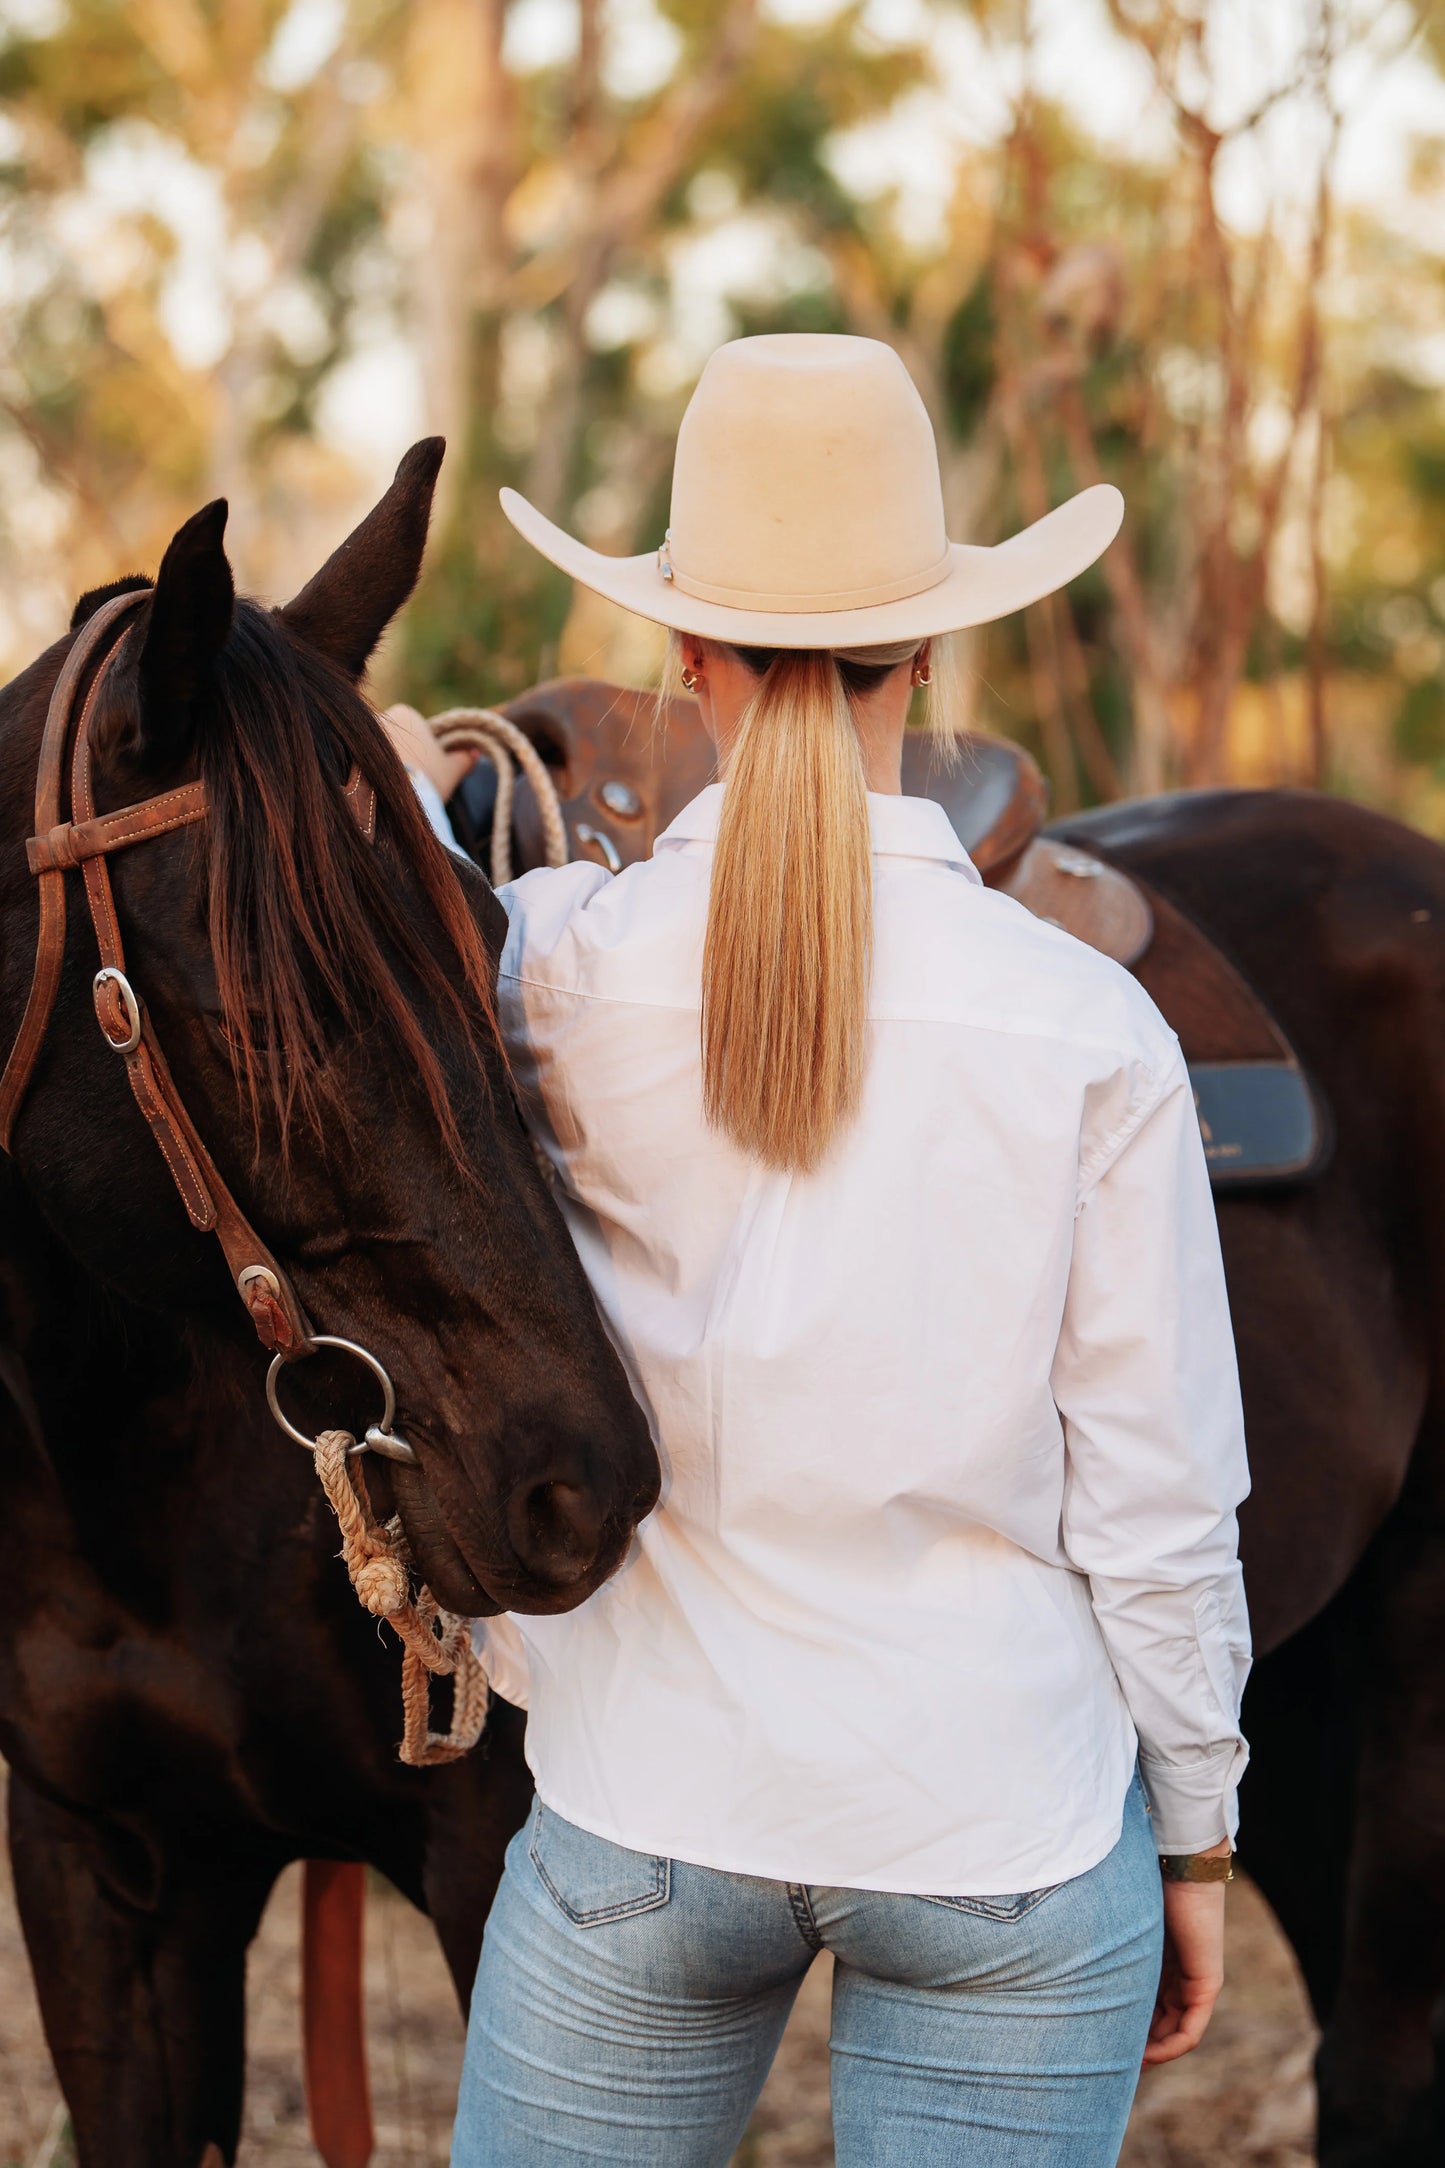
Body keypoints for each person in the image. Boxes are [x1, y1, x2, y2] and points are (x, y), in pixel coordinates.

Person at [386, 333, 1250, 2168]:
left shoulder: (548, 969)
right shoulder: (1089, 1024)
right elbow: (1160, 1504)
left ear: (679, 657)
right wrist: (1193, 1835)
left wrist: (384, 775)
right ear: (925, 653)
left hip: (645, 1806)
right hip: (1000, 1834)